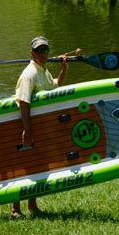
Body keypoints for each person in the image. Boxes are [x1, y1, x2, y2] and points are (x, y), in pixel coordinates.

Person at [11, 36, 69, 218]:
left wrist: (64, 70)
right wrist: (27, 130)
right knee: (24, 166)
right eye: (39, 51)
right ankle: (15, 209)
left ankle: (32, 206)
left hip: (40, 127)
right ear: (32, 53)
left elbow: (55, 87)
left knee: (37, 165)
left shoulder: (43, 71)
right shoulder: (29, 74)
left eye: (45, 50)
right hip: (26, 125)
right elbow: (23, 102)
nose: (43, 54)